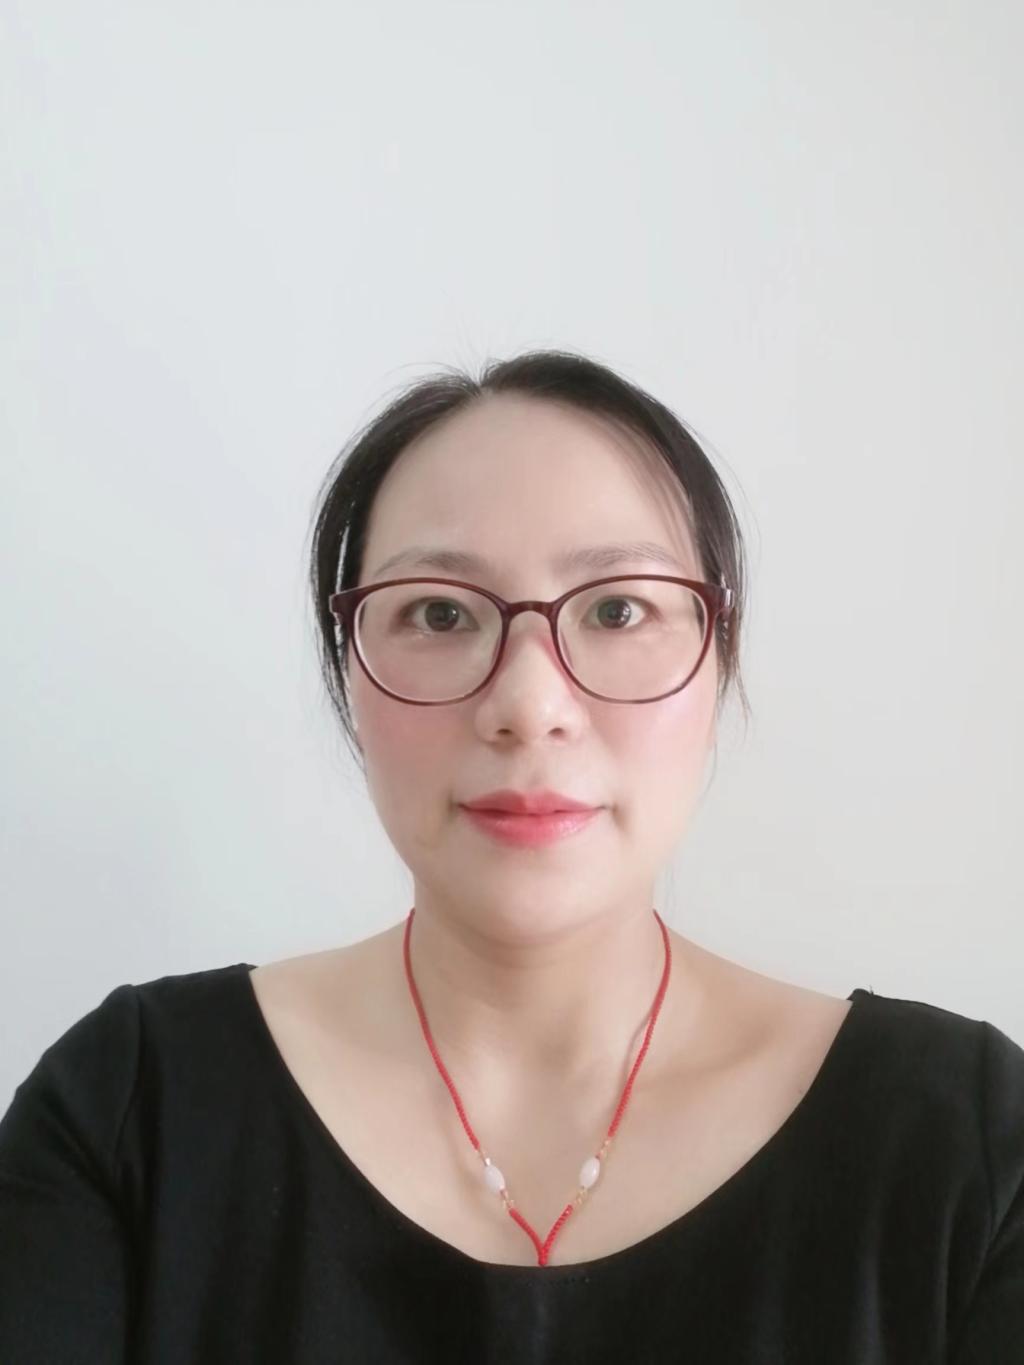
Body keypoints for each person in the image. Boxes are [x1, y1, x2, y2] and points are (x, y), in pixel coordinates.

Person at [1, 349, 1021, 1361]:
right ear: (348, 673)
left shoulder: (965, 1146)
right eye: (439, 613)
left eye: (617, 608)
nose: (529, 705)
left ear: (718, 660)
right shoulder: (136, 1110)